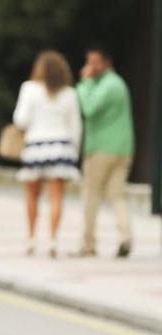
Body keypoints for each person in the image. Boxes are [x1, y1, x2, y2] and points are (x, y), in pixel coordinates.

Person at [12, 50, 82, 258]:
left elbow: (20, 120)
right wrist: (74, 152)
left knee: (32, 195)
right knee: (56, 197)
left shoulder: (29, 89)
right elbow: (75, 127)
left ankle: (31, 238)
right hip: (61, 146)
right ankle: (53, 239)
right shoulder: (70, 93)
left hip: (35, 145)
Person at [73, 44, 134, 258]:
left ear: (107, 62)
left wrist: (84, 83)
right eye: (89, 61)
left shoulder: (107, 86)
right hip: (123, 148)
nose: (91, 66)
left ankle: (88, 245)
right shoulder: (119, 84)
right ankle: (126, 236)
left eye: (95, 62)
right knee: (117, 195)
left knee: (91, 196)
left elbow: (88, 108)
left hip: (101, 149)